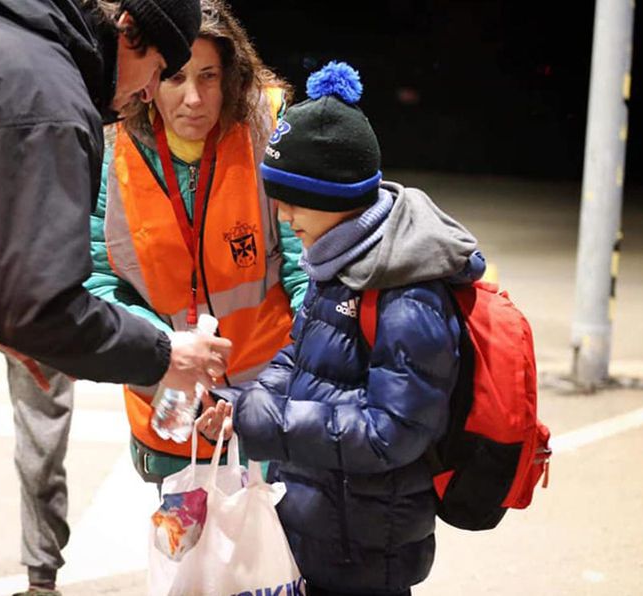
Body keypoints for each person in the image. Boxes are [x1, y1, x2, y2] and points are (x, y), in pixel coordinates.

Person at [0, 1, 234, 594]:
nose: (148, 92)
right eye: (159, 70)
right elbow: (37, 307)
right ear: (127, 31)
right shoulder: (45, 98)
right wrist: (166, 353)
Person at [2, 1, 307, 592]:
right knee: (186, 562)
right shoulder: (109, 147)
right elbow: (93, 277)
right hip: (168, 401)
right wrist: (167, 348)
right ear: (149, 78)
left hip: (266, 400)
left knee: (272, 561)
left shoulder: (267, 135)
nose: (192, 99)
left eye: (209, 77)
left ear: (233, 78)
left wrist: (284, 383)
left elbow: (302, 266)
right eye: (175, 76)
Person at [203, 62, 487, 596]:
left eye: (291, 198)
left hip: (366, 545)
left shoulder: (408, 290)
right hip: (318, 522)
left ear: (334, 197)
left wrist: (268, 421)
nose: (282, 215)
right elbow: (296, 356)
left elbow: (392, 431)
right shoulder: (337, 262)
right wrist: (240, 406)